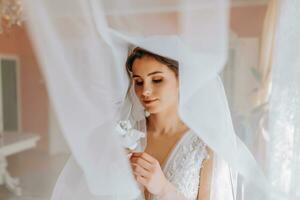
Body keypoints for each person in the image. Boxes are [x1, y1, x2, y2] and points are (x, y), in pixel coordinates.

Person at [125, 47, 213, 200]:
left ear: (181, 79)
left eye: (157, 80)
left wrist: (164, 189)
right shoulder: (126, 136)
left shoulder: (205, 145)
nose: (145, 90)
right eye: (139, 82)